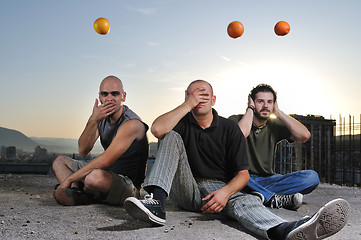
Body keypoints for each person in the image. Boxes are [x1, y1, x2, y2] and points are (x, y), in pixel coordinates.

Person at [123, 80, 349, 240]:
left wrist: (224, 192)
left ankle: (284, 231)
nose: (198, 97)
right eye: (193, 94)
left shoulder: (228, 127)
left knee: (244, 200)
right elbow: (157, 129)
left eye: (203, 93)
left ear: (213, 99)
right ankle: (157, 204)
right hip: (188, 186)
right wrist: (187, 105)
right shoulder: (181, 123)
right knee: (169, 136)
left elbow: (242, 174)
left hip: (220, 187)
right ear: (186, 97)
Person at [52, 75, 149, 206]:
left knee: (94, 178)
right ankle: (76, 191)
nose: (109, 98)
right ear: (100, 97)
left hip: (128, 186)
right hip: (106, 172)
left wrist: (68, 179)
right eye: (105, 94)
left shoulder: (132, 123)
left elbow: (105, 160)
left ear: (123, 96)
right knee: (59, 162)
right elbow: (83, 150)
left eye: (115, 94)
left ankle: (82, 193)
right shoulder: (101, 118)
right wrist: (93, 120)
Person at [228, 83, 319, 210]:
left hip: (267, 179)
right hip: (242, 177)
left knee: (312, 178)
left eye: (270, 102)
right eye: (260, 101)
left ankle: (258, 194)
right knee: (233, 176)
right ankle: (272, 198)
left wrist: (279, 112)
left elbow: (304, 135)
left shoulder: (274, 125)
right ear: (252, 102)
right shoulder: (236, 120)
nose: (265, 106)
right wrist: (249, 109)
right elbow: (241, 134)